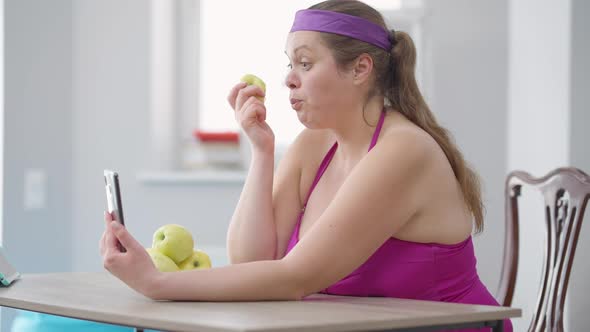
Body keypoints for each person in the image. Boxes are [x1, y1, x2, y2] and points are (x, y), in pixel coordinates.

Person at [100, 1, 512, 331]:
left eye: (306, 63)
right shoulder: (314, 144)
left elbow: (295, 278)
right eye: (289, 64)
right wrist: (262, 153)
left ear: (360, 69)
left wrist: (157, 283)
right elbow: (253, 262)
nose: (288, 81)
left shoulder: (403, 151)